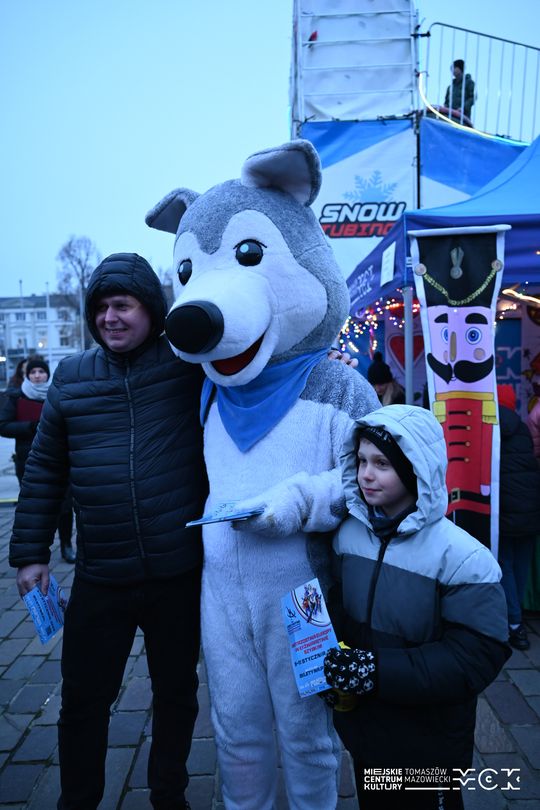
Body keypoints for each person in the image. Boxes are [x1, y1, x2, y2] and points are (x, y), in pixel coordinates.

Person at [9, 253, 207, 810]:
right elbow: (46, 469)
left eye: (122, 305)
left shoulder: (187, 364)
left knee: (177, 694)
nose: (109, 318)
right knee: (83, 701)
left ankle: (169, 794)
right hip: (102, 573)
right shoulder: (71, 378)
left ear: (151, 307)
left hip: (176, 570)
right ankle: (79, 801)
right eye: (99, 308)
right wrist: (30, 553)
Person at [323, 404, 510, 809]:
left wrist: (376, 670)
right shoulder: (348, 537)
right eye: (360, 461)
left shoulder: (463, 559)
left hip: (429, 740)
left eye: (382, 464)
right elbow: (341, 613)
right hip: (365, 728)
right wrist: (331, 660)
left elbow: (476, 655)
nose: (366, 474)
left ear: (415, 469)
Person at [0, 357, 76, 563]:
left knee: (66, 506)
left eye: (41, 372)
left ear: (47, 374)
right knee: (34, 507)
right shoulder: (16, 396)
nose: (37, 375)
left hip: (61, 459)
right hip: (29, 459)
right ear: (27, 375)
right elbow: (3, 425)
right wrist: (31, 426)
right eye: (33, 372)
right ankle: (35, 554)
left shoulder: (57, 394)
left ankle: (67, 545)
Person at [496, 384, 540, 650]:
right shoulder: (523, 429)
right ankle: (517, 616)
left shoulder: (490, 431)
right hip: (531, 513)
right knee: (520, 567)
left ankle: (514, 624)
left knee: (505, 566)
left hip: (506, 512)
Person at [443, 59, 475, 125]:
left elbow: (472, 98)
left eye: (454, 68)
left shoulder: (469, 83)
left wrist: (463, 108)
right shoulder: (450, 87)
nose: (452, 71)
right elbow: (446, 102)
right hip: (449, 117)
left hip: (463, 117)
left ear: (460, 69)